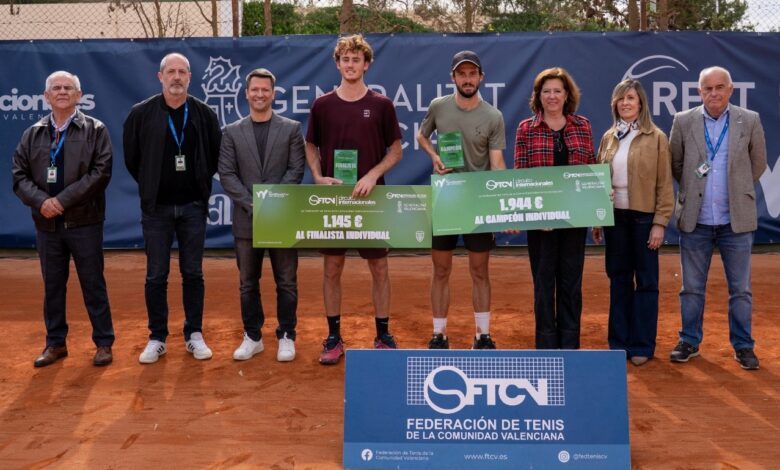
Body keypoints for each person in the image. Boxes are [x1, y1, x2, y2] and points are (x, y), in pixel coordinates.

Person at [305, 34, 403, 365]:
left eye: (356, 59)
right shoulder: (322, 105)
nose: (350, 65)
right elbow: (310, 145)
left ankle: (383, 335)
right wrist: (317, 177)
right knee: (332, 268)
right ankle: (333, 337)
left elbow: (396, 151)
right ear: (337, 64)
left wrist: (373, 175)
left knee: (380, 267)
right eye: (345, 59)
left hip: (372, 200)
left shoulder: (382, 105)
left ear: (366, 64)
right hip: (335, 201)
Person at [123, 53, 222, 364]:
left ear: (190, 77)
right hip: (157, 210)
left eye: (182, 72)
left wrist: (198, 187)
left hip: (193, 207)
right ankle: (157, 337)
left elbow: (215, 155)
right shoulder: (141, 114)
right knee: (156, 275)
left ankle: (194, 334)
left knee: (193, 272)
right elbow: (133, 159)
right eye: (171, 72)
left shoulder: (204, 114)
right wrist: (152, 184)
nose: (176, 77)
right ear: (160, 76)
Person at [12, 71, 115, 367]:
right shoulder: (32, 134)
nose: (62, 92)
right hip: (47, 225)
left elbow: (100, 173)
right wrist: (42, 202)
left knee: (93, 283)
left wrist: (61, 201)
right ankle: (55, 343)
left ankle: (103, 343)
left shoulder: (96, 129)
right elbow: (19, 176)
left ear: (79, 95)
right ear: (46, 96)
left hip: (85, 222)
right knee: (53, 287)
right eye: (55, 88)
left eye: (68, 88)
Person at [669, 66, 767, 370]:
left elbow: (758, 163)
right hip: (695, 220)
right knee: (691, 288)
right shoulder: (683, 121)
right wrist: (695, 188)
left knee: (740, 290)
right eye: (707, 88)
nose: (713, 93)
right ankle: (689, 340)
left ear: (730, 89)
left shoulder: (749, 120)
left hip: (735, 222)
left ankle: (743, 346)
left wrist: (737, 188)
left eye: (719, 87)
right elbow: (676, 164)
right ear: (699, 91)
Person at [417, 50, 506, 350]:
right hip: (445, 200)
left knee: (479, 271)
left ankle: (483, 335)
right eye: (461, 74)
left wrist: (505, 202)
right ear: (453, 77)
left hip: (478, 203)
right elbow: (421, 135)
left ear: (481, 77)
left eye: (472, 74)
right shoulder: (438, 107)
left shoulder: (493, 116)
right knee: (441, 270)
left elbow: (497, 163)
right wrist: (434, 156)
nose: (467, 79)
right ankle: (439, 334)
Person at [218, 68, 305, 362]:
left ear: (273, 94)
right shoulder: (231, 131)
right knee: (247, 283)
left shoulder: (291, 129)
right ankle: (253, 336)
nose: (259, 94)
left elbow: (296, 170)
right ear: (246, 94)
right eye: (254, 90)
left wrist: (273, 202)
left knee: (287, 282)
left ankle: (287, 335)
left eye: (265, 90)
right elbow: (227, 174)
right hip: (247, 219)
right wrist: (255, 204)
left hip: (282, 219)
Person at [591, 79, 674, 366]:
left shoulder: (657, 137)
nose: (625, 103)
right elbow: (599, 181)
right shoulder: (609, 137)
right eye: (620, 98)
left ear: (641, 103)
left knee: (647, 282)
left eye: (630, 98)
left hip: (644, 219)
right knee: (619, 280)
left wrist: (660, 222)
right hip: (615, 218)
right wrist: (598, 219)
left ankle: (642, 345)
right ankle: (619, 343)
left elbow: (665, 184)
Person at [514, 67, 596, 350]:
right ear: (538, 96)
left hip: (575, 221)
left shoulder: (583, 126)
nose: (552, 96)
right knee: (543, 284)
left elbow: (591, 168)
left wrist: (597, 201)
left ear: (567, 95)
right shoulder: (526, 128)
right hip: (541, 223)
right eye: (546, 91)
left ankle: (570, 343)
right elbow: (521, 175)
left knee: (571, 283)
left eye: (557, 91)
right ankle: (547, 344)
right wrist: (536, 215)